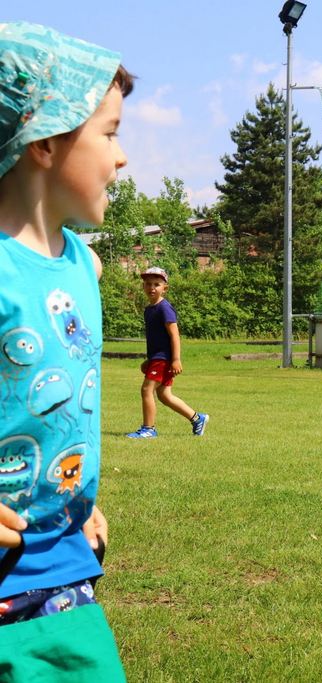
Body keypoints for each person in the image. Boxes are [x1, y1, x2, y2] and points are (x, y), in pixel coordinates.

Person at [0, 22, 130, 678]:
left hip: (63, 563)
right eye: (109, 133)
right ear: (46, 140)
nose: (121, 157)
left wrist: (71, 494)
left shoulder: (84, 266)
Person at [126, 267, 208, 439]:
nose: (152, 287)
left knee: (147, 389)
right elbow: (156, 338)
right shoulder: (149, 309)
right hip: (157, 358)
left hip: (164, 358)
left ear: (165, 288)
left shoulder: (164, 308)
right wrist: (149, 360)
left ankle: (149, 429)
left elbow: (174, 335)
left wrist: (176, 359)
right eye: (148, 284)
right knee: (164, 395)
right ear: (143, 286)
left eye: (157, 284)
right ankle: (197, 418)